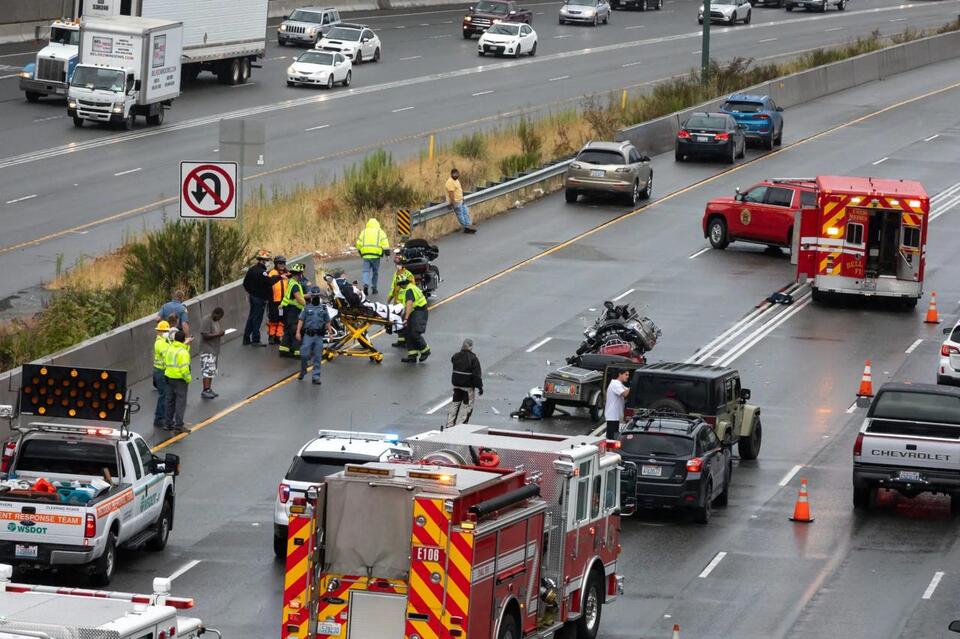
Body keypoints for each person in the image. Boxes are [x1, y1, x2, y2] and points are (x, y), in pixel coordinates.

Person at [296, 286, 332, 385]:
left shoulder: (323, 308)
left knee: (317, 356)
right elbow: (301, 320)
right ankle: (303, 370)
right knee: (304, 354)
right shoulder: (306, 307)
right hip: (308, 335)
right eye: (314, 295)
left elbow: (327, 321)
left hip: (319, 336)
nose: (315, 297)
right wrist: (298, 332)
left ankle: (316, 376)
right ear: (311, 296)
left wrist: (330, 333)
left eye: (317, 295)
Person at [447, 338, 483, 427]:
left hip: (456, 384)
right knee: (467, 406)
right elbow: (476, 375)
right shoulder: (473, 358)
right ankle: (461, 426)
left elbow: (453, 361)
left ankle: (449, 424)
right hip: (467, 386)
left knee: (455, 404)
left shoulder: (455, 356)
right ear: (471, 347)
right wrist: (480, 387)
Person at [242, 249, 273, 347]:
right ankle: (256, 339)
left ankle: (246, 338)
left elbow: (245, 283)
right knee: (257, 318)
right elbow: (269, 283)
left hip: (253, 297)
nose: (268, 262)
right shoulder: (262, 272)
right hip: (259, 298)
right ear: (263, 261)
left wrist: (251, 292)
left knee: (251, 317)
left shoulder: (251, 269)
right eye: (267, 260)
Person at [163, 330, 191, 432]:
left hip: (169, 377)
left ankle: (168, 424)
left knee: (170, 401)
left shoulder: (170, 349)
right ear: (184, 340)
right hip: (180, 380)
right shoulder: (183, 353)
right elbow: (184, 369)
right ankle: (179, 425)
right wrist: (188, 379)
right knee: (180, 402)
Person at [398, 276, 430, 363]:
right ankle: (412, 355)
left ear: (402, 284)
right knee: (408, 333)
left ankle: (425, 350)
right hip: (415, 311)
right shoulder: (412, 287)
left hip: (419, 311)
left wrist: (406, 317)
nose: (400, 287)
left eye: (400, 285)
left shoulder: (409, 290)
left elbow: (409, 304)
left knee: (414, 333)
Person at [355, 218, 390, 296]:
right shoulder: (380, 232)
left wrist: (360, 252)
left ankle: (365, 284)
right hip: (376, 255)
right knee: (375, 272)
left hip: (366, 255)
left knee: (365, 271)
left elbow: (358, 244)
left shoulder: (363, 232)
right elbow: (385, 243)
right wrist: (387, 254)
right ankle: (374, 288)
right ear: (377, 224)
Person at [388, 249, 415, 348]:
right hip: (397, 302)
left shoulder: (408, 275)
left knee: (405, 322)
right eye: (396, 264)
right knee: (398, 321)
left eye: (398, 264)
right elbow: (393, 288)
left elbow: (412, 289)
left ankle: (407, 340)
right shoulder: (396, 274)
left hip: (405, 302)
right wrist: (389, 299)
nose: (397, 266)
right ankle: (401, 340)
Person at [279, 263, 307, 357]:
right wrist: (307, 306)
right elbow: (298, 298)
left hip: (286, 309)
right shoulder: (295, 285)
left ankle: (284, 350)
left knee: (287, 330)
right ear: (300, 274)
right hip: (292, 311)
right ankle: (298, 352)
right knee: (296, 330)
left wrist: (306, 296)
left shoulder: (291, 282)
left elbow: (296, 296)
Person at [199, 307, 225, 400]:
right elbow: (205, 335)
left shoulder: (216, 321)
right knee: (207, 370)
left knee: (211, 370)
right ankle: (205, 390)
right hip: (207, 349)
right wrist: (218, 334)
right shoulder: (207, 320)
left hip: (214, 349)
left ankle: (209, 389)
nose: (219, 319)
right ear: (215, 313)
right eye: (219, 317)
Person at [152, 320, 171, 427]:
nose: (166, 332)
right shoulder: (160, 342)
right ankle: (159, 418)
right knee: (163, 395)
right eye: (164, 331)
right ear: (159, 331)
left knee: (166, 394)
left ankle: (163, 416)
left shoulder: (166, 341)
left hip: (162, 371)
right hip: (160, 371)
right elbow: (167, 355)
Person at [446, 168, 476, 234]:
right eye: (454, 174)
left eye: (457, 173)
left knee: (466, 213)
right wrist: (454, 203)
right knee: (460, 215)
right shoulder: (450, 182)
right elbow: (451, 194)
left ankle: (469, 226)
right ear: (451, 174)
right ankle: (466, 227)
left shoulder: (456, 180)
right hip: (456, 202)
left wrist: (462, 198)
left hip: (461, 200)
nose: (456, 175)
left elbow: (459, 190)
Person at [267, 256, 288, 345]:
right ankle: (271, 336)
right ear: (276, 264)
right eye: (280, 263)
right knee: (273, 319)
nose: (282, 265)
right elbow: (268, 284)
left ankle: (278, 336)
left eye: (283, 263)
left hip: (284, 301)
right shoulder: (272, 273)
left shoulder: (287, 273)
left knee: (281, 320)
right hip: (274, 300)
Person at [604, 369, 631, 439]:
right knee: (611, 438)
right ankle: (609, 450)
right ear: (620, 374)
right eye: (626, 375)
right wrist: (633, 385)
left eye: (628, 375)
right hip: (612, 416)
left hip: (616, 416)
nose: (627, 377)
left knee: (615, 438)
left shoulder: (620, 384)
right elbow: (625, 394)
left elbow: (628, 391)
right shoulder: (615, 384)